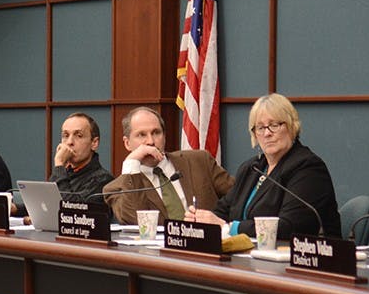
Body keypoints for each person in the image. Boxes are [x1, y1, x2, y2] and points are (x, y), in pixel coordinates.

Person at [190, 93, 342, 239]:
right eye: (260, 128)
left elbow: (289, 227)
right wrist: (203, 220)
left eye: (274, 125)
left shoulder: (308, 168)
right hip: (250, 256)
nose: (267, 133)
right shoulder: (252, 168)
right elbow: (223, 210)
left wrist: (230, 228)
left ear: (291, 126)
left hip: (307, 259)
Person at [103, 107, 233, 224]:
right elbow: (134, 222)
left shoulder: (200, 161)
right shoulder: (116, 188)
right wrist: (132, 162)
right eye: (141, 135)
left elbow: (241, 199)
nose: (151, 142)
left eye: (156, 133)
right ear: (127, 143)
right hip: (158, 250)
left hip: (206, 247)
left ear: (164, 136)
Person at [49, 113, 114, 204]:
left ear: (94, 143)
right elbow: (45, 202)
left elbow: (71, 210)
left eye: (79, 136)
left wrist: (59, 164)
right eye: (66, 135)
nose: (70, 142)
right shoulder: (64, 173)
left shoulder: (103, 180)